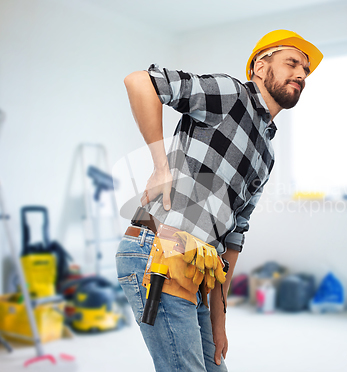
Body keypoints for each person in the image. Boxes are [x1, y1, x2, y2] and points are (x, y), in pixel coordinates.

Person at [116, 30, 323, 372]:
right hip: (157, 252)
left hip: (198, 268)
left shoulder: (266, 153)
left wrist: (219, 320)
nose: (301, 73)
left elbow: (234, 238)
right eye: (292, 62)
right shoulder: (231, 95)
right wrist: (160, 167)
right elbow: (141, 82)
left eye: (306, 70)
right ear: (260, 66)